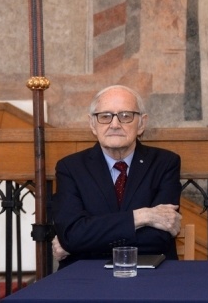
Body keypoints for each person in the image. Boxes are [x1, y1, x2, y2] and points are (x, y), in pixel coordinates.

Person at [51, 85, 182, 268]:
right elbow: (72, 234)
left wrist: (81, 243)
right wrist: (141, 217)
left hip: (149, 274)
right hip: (87, 276)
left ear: (141, 124)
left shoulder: (165, 163)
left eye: (125, 116)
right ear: (92, 124)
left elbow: (158, 238)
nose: (114, 124)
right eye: (105, 116)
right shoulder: (70, 168)